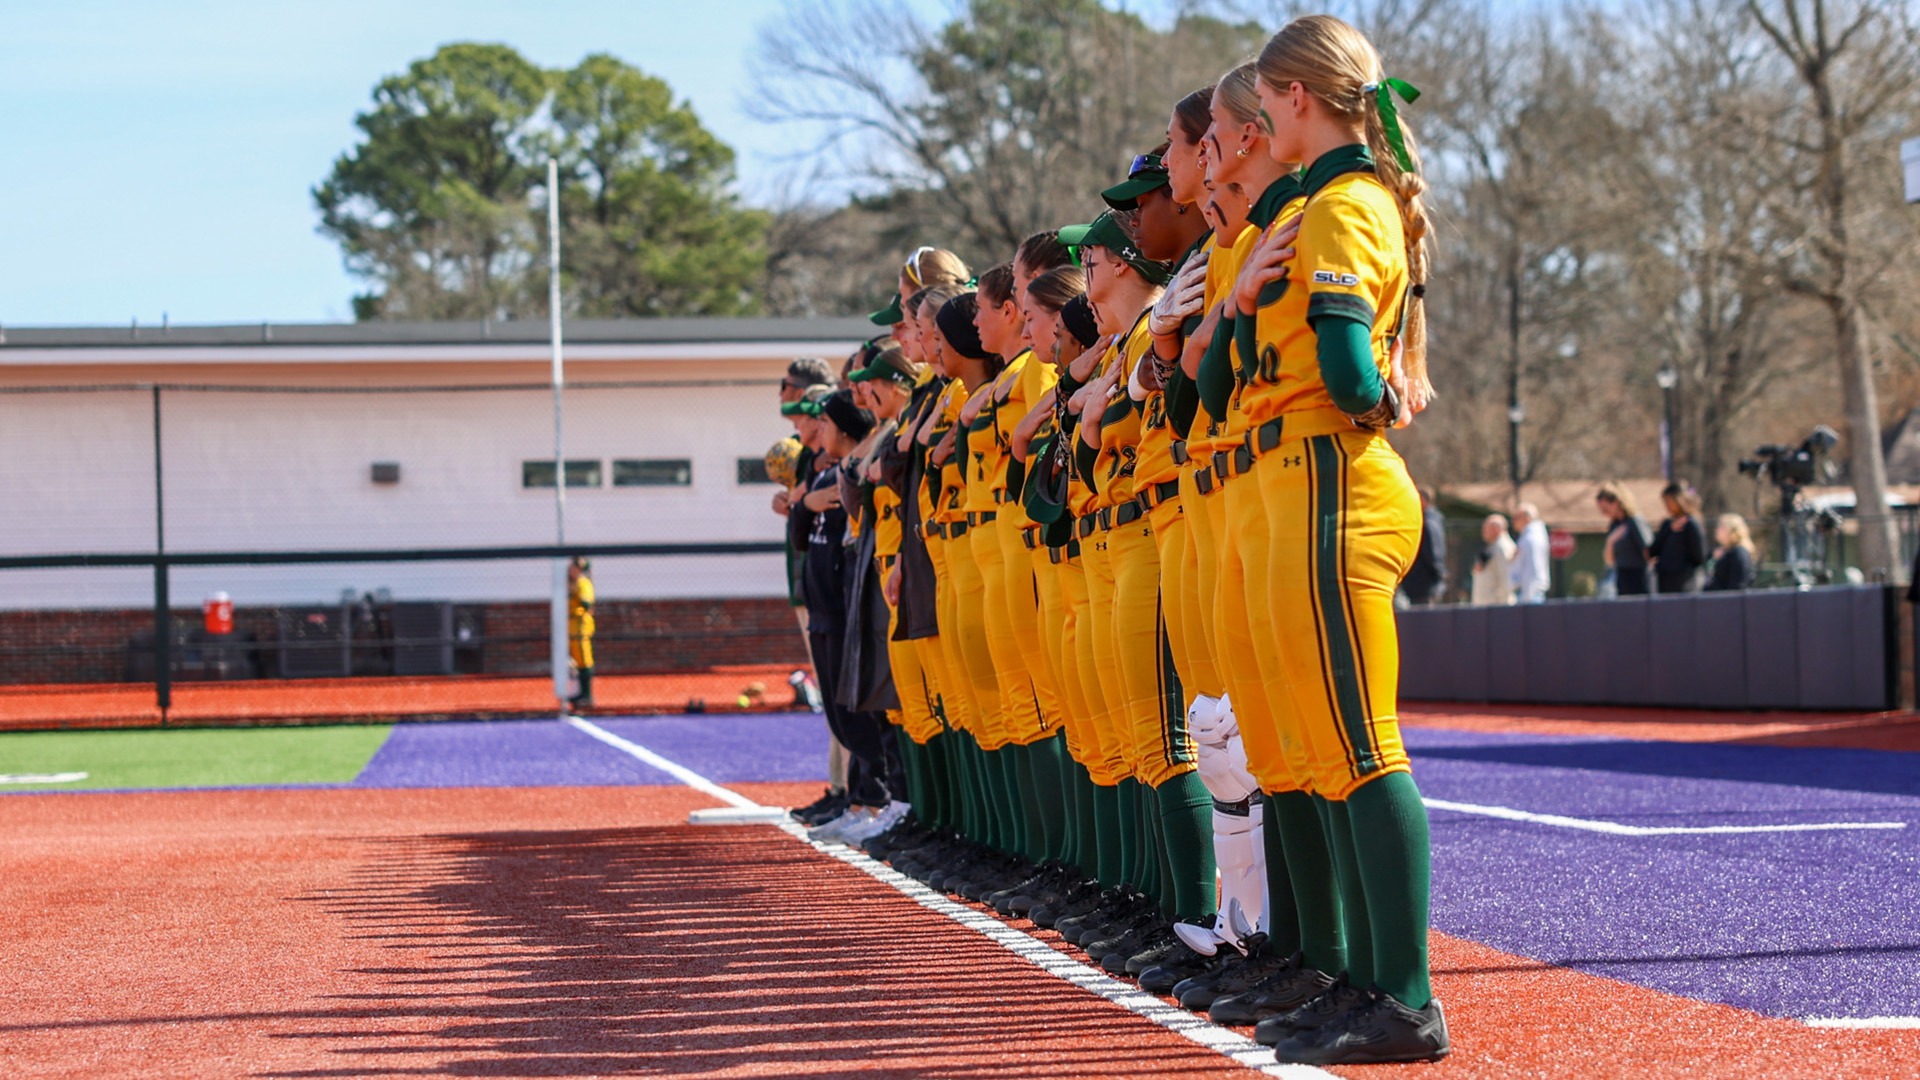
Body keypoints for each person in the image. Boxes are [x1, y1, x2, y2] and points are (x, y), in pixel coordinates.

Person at [1225, 14, 1449, 1063]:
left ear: (1299, 96)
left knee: (1360, 746)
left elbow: (1353, 368)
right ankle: (1354, 979)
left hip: (1327, 480)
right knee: (1312, 754)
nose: (1260, 116)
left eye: (1266, 100)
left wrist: (1370, 401)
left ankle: (1404, 999)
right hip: (1289, 478)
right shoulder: (1320, 204)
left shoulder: (1346, 203)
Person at [1649, 481, 1708, 594]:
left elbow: (1700, 556)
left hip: (1684, 584)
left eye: (1669, 501)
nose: (1666, 505)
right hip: (1665, 583)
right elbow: (1653, 551)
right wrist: (1669, 530)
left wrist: (1681, 566)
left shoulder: (1691, 524)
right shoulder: (1667, 524)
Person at [1597, 482, 1652, 596]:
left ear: (1616, 503)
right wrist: (1611, 541)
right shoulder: (1614, 525)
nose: (1603, 513)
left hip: (1639, 578)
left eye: (1605, 509)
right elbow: (1609, 561)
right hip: (1622, 577)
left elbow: (1649, 552)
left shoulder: (1634, 521)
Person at [1401, 486, 1447, 605]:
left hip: (1422, 582)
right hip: (1428, 582)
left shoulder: (1426, 523)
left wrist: (1438, 572)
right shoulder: (1436, 520)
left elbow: (1431, 552)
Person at [566, 556, 595, 709]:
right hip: (573, 627)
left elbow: (586, 603)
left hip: (581, 626)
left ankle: (588, 695)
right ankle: (582, 693)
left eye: (573, 567)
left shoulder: (582, 583)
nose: (570, 570)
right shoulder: (573, 583)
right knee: (577, 661)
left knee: (585, 659)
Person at [1471, 514, 1517, 606]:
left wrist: (1501, 606)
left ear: (1497, 528)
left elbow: (1506, 579)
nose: (1483, 531)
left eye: (1486, 528)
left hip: (1496, 608)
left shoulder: (1503, 547)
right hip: (1487, 608)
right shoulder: (1493, 546)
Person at [1704, 513, 1757, 591]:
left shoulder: (1739, 553)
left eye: (1721, 527)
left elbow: (1738, 586)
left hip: (1726, 601)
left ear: (1732, 531)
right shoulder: (1721, 551)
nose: (1717, 530)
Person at [1510, 502, 1550, 603]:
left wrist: (1528, 597)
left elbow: (1532, 568)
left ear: (1526, 517)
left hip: (1530, 595)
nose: (1513, 521)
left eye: (1516, 517)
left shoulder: (1532, 538)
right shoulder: (1528, 536)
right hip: (1528, 594)